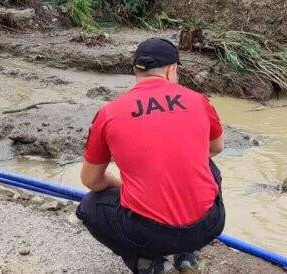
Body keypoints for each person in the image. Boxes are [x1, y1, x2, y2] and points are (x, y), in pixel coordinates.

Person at [77, 38, 226, 273]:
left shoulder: (109, 112)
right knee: (210, 167)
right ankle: (187, 255)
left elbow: (91, 180)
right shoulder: (198, 100)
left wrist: (125, 185)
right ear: (172, 70)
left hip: (147, 233)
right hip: (208, 225)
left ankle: (148, 264)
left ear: (136, 71)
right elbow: (216, 147)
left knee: (89, 206)